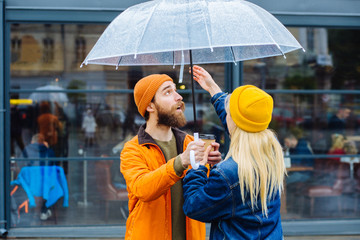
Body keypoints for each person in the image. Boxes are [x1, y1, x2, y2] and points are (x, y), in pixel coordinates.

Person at [182, 65, 286, 240]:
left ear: (234, 122)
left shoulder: (228, 173)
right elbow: (241, 119)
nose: (226, 116)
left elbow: (194, 206)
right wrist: (212, 88)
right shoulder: (271, 151)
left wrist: (198, 168)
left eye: (229, 113)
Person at [120, 74, 222, 240]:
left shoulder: (191, 143)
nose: (179, 96)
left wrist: (212, 167)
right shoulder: (133, 149)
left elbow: (208, 195)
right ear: (150, 106)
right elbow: (142, 189)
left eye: (176, 90)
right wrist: (181, 161)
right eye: (168, 92)